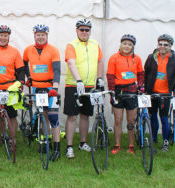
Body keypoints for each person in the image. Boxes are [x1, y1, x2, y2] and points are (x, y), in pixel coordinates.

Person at [63, 18, 104, 158]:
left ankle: (82, 143)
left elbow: (100, 61)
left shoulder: (95, 44)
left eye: (87, 30)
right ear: (77, 30)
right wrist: (78, 80)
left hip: (90, 86)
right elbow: (71, 63)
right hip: (73, 85)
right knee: (72, 116)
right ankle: (69, 147)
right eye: (82, 29)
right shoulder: (71, 45)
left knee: (85, 115)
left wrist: (99, 78)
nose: (85, 32)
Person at [23, 24, 61, 161]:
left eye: (43, 34)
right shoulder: (28, 50)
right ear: (34, 35)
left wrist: (55, 88)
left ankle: (57, 149)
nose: (40, 37)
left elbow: (57, 71)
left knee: (53, 117)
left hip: (50, 87)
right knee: (43, 116)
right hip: (36, 88)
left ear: (47, 36)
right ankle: (46, 143)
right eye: (38, 34)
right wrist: (28, 78)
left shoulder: (53, 50)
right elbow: (23, 64)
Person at [107, 34, 144, 154]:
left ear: (133, 46)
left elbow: (140, 74)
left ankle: (131, 145)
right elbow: (110, 76)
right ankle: (117, 144)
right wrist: (112, 91)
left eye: (130, 44)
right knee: (118, 120)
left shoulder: (137, 59)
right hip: (118, 91)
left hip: (132, 91)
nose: (127, 46)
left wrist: (140, 86)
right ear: (120, 44)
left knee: (131, 121)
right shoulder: (114, 58)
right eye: (125, 43)